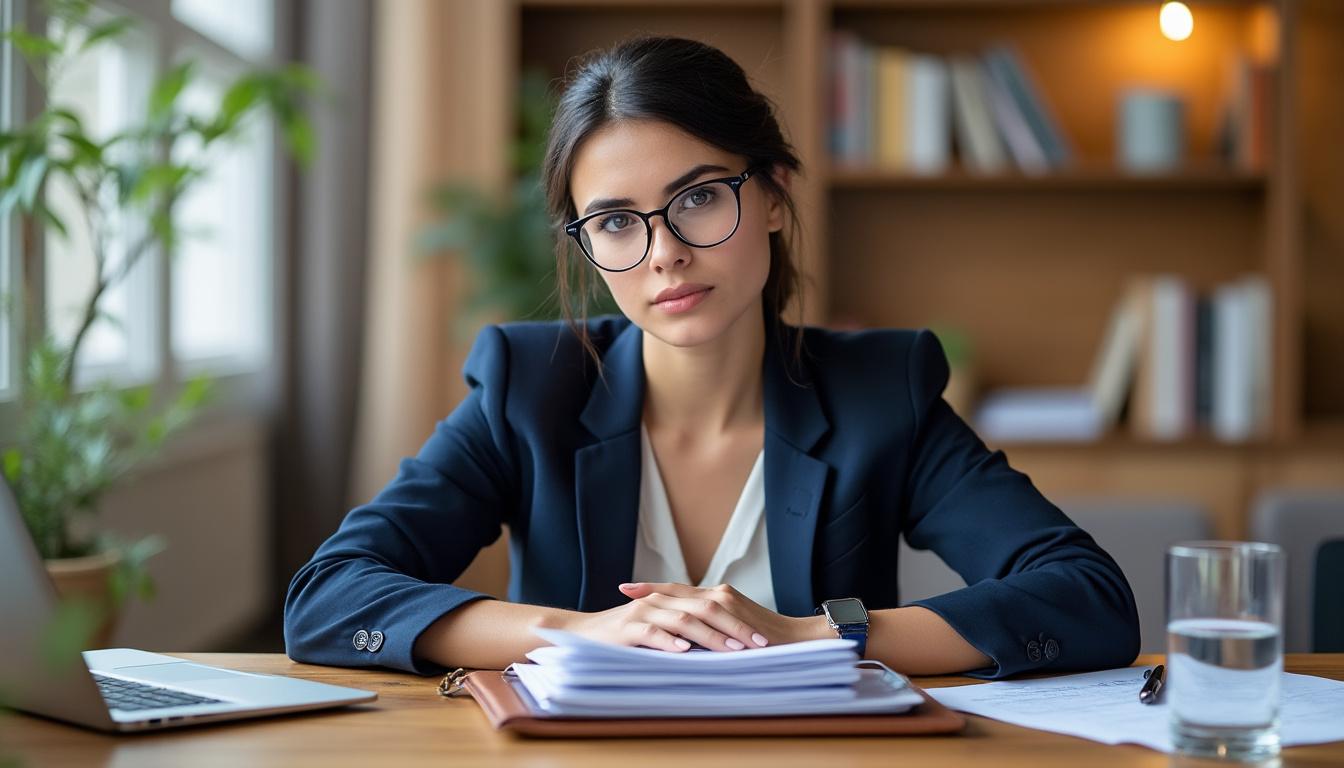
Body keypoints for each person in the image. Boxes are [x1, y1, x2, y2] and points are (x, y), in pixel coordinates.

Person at [284, 36, 1139, 678]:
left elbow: (1087, 598)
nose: (663, 254)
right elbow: (329, 599)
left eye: (696, 198)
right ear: (587, 245)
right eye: (616, 220)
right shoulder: (528, 388)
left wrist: (808, 632)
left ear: (773, 194)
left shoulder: (882, 392)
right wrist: (574, 631)